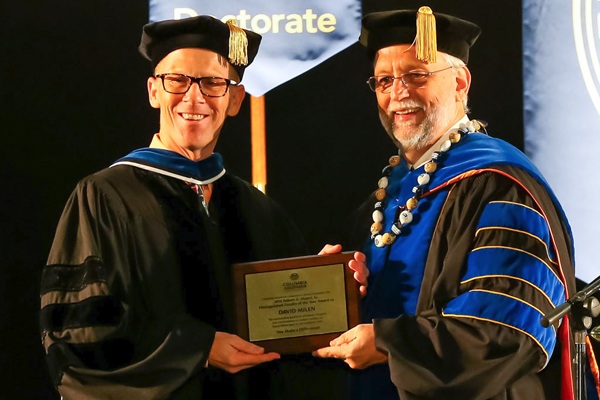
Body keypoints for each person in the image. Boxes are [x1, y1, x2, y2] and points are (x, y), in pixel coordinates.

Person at [39, 15, 367, 400]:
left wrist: (325, 283)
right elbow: (78, 333)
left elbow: (289, 333)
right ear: (153, 90)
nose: (194, 98)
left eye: (213, 83)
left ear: (234, 99)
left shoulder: (256, 209)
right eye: (177, 80)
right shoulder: (105, 197)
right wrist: (199, 349)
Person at [314, 6, 599, 400]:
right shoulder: (388, 194)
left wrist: (387, 343)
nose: (398, 93)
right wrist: (344, 287)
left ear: (460, 81)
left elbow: (506, 329)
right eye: (384, 80)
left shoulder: (499, 186)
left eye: (417, 75)